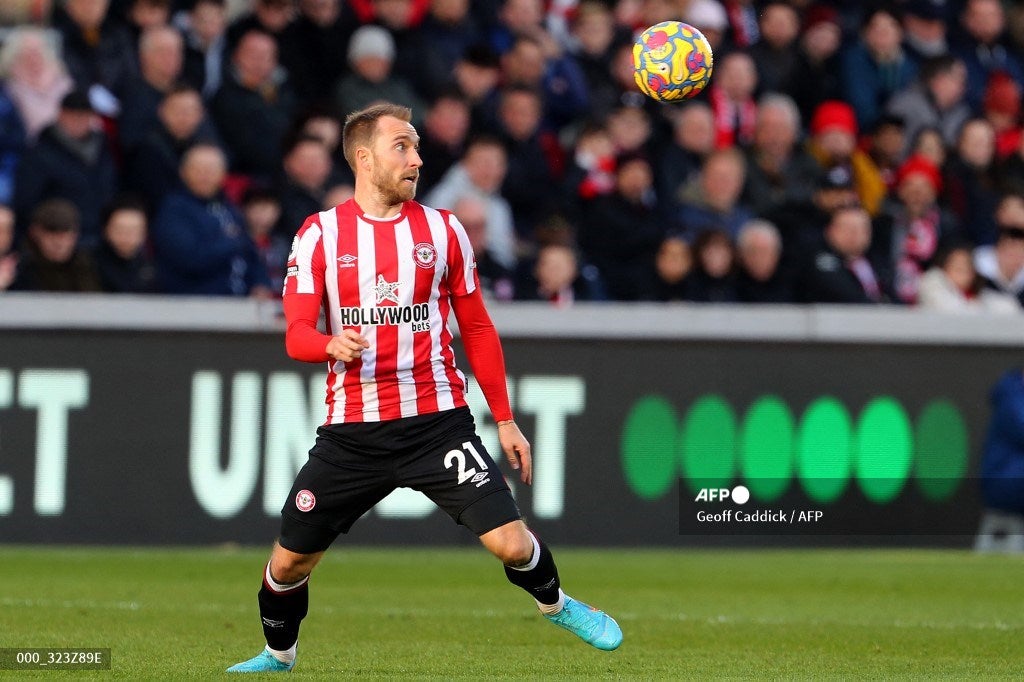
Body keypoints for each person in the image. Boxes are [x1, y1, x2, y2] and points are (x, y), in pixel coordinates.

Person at [225, 102, 621, 673]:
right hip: (351, 434)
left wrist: (504, 417)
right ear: (364, 157)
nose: (416, 159)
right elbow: (295, 333)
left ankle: (557, 604)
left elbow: (478, 326)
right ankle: (278, 653)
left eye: (416, 147)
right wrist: (327, 344)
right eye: (401, 147)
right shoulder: (319, 235)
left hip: (437, 424)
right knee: (288, 566)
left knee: (511, 542)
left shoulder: (443, 229)